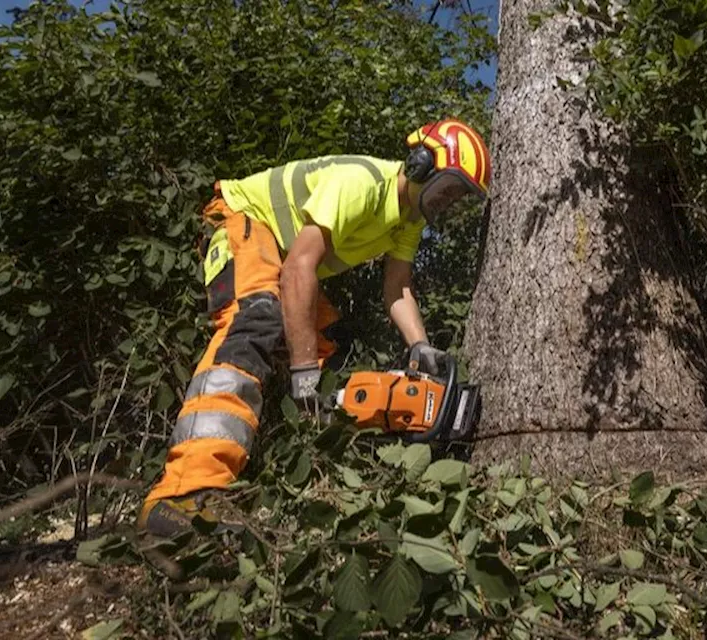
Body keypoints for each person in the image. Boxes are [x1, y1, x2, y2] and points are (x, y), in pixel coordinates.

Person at [137, 119, 491, 537]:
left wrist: (421, 345)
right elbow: (300, 267)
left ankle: (302, 482)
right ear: (419, 163)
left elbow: (397, 288)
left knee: (327, 357)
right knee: (255, 322)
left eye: (456, 197)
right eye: (448, 188)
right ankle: (182, 493)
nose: (448, 201)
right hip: (244, 220)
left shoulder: (407, 220)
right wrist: (303, 377)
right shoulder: (362, 183)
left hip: (286, 257)